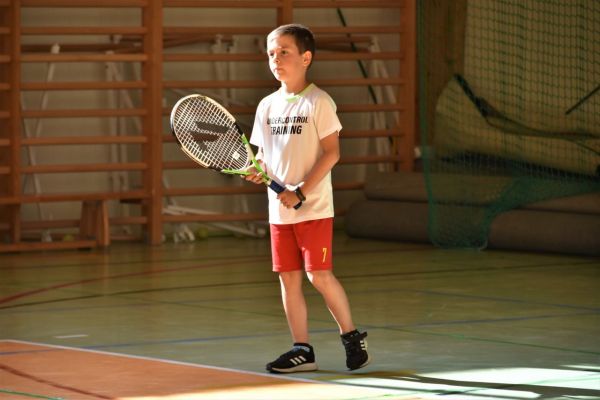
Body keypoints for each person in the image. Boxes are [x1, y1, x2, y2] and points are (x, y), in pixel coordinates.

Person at [244, 23, 371, 373]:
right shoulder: (266, 106)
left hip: (313, 208)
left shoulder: (319, 102)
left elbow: (332, 153)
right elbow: (264, 158)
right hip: (279, 212)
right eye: (271, 53)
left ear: (306, 58)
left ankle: (351, 337)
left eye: (284, 52)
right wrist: (258, 170)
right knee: (288, 278)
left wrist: (300, 191)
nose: (276, 59)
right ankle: (302, 350)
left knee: (319, 276)